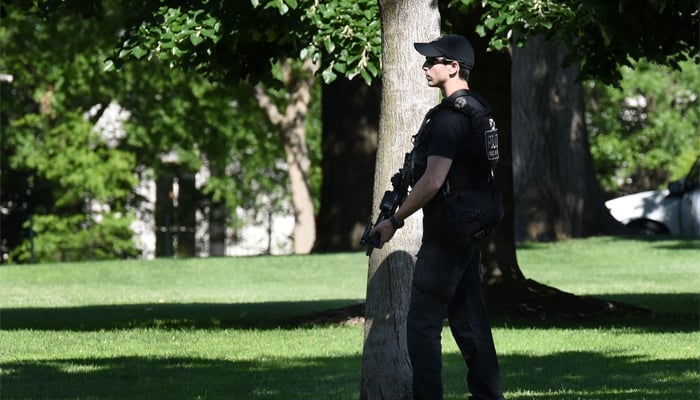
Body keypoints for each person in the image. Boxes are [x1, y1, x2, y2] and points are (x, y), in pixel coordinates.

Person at [369, 34, 506, 400]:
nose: (425, 66)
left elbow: (432, 180)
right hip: (473, 225)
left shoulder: (448, 120)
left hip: (447, 232)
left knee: (422, 324)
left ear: (453, 67)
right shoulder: (479, 109)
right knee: (468, 318)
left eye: (433, 61)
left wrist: (394, 220)